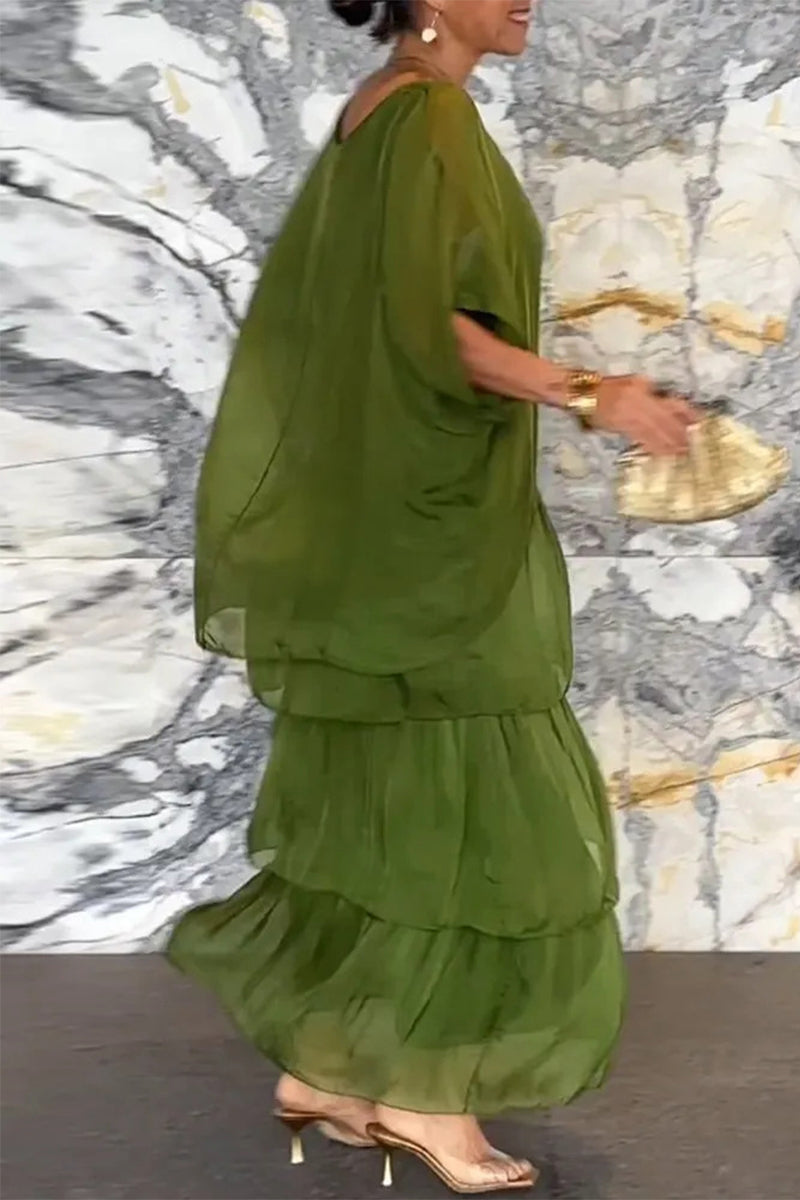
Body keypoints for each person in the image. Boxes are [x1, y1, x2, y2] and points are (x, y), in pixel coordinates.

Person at [167, 0, 696, 1192]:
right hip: (430, 540)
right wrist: (592, 393)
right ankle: (421, 1093)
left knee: (390, 797)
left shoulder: (377, 112)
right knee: (478, 813)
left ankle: (327, 1070)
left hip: (389, 523)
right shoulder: (429, 122)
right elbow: (428, 330)